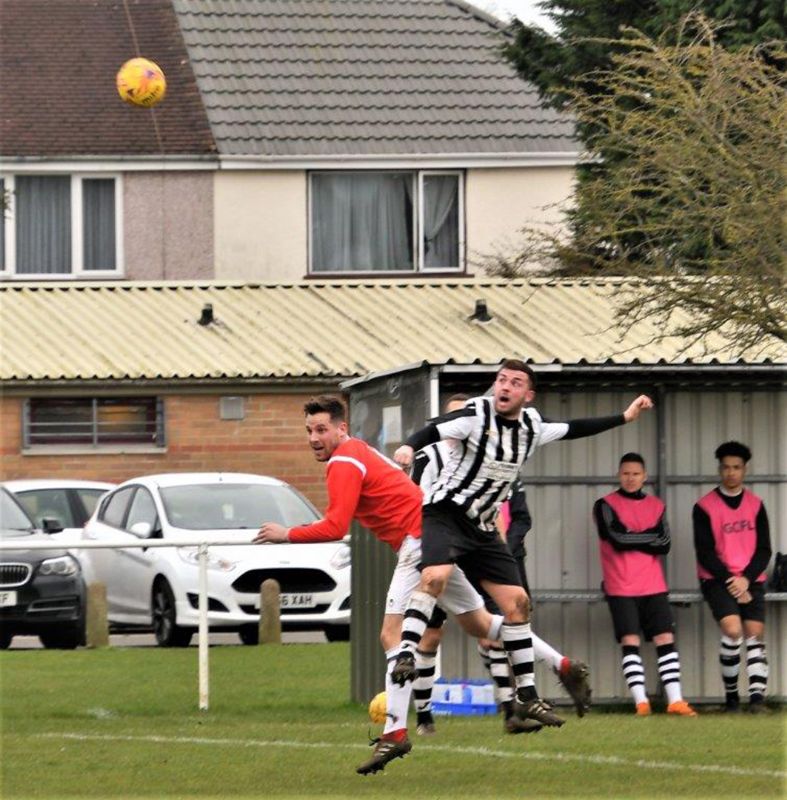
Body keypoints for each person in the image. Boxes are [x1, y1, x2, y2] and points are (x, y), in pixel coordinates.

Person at [391, 359, 653, 729]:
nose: (505, 386)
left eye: (515, 382)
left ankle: (526, 696)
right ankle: (406, 655)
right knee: (434, 577)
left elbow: (575, 427)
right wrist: (407, 446)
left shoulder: (531, 426)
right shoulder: (476, 414)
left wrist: (624, 417)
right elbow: (433, 429)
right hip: (445, 515)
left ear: (527, 395)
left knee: (517, 604)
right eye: (501, 380)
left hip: (482, 527)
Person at [253, 395, 506, 775]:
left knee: (392, 635)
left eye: (321, 429)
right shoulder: (359, 450)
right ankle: (563, 663)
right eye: (308, 431)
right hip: (434, 534)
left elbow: (336, 526)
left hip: (418, 539)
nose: (313, 438)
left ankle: (395, 730)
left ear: (342, 428)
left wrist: (286, 533)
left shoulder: (343, 461)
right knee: (482, 624)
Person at [410, 396, 591, 736]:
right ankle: (423, 717)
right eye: (453, 419)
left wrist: (502, 552)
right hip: (440, 550)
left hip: (482, 553)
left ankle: (513, 709)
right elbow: (419, 505)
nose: (461, 427)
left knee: (500, 628)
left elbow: (507, 515)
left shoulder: (499, 457)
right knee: (432, 635)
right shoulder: (429, 457)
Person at [593, 453, 696, 716]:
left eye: (636, 473)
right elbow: (616, 538)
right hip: (620, 584)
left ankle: (675, 701)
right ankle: (641, 702)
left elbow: (665, 544)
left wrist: (633, 537)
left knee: (665, 638)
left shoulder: (656, 505)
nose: (630, 478)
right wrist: (646, 539)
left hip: (653, 584)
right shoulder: (604, 505)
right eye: (626, 473)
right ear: (619, 475)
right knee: (630, 639)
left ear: (644, 476)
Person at [693, 441, 772, 713]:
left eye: (736, 468)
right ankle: (731, 700)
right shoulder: (704, 507)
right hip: (717, 579)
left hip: (750, 580)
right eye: (726, 467)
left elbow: (764, 549)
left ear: (745, 470)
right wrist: (732, 580)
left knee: (754, 634)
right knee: (732, 630)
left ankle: (757, 701)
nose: (731, 473)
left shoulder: (756, 505)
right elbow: (705, 553)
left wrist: (746, 579)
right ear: (719, 469)